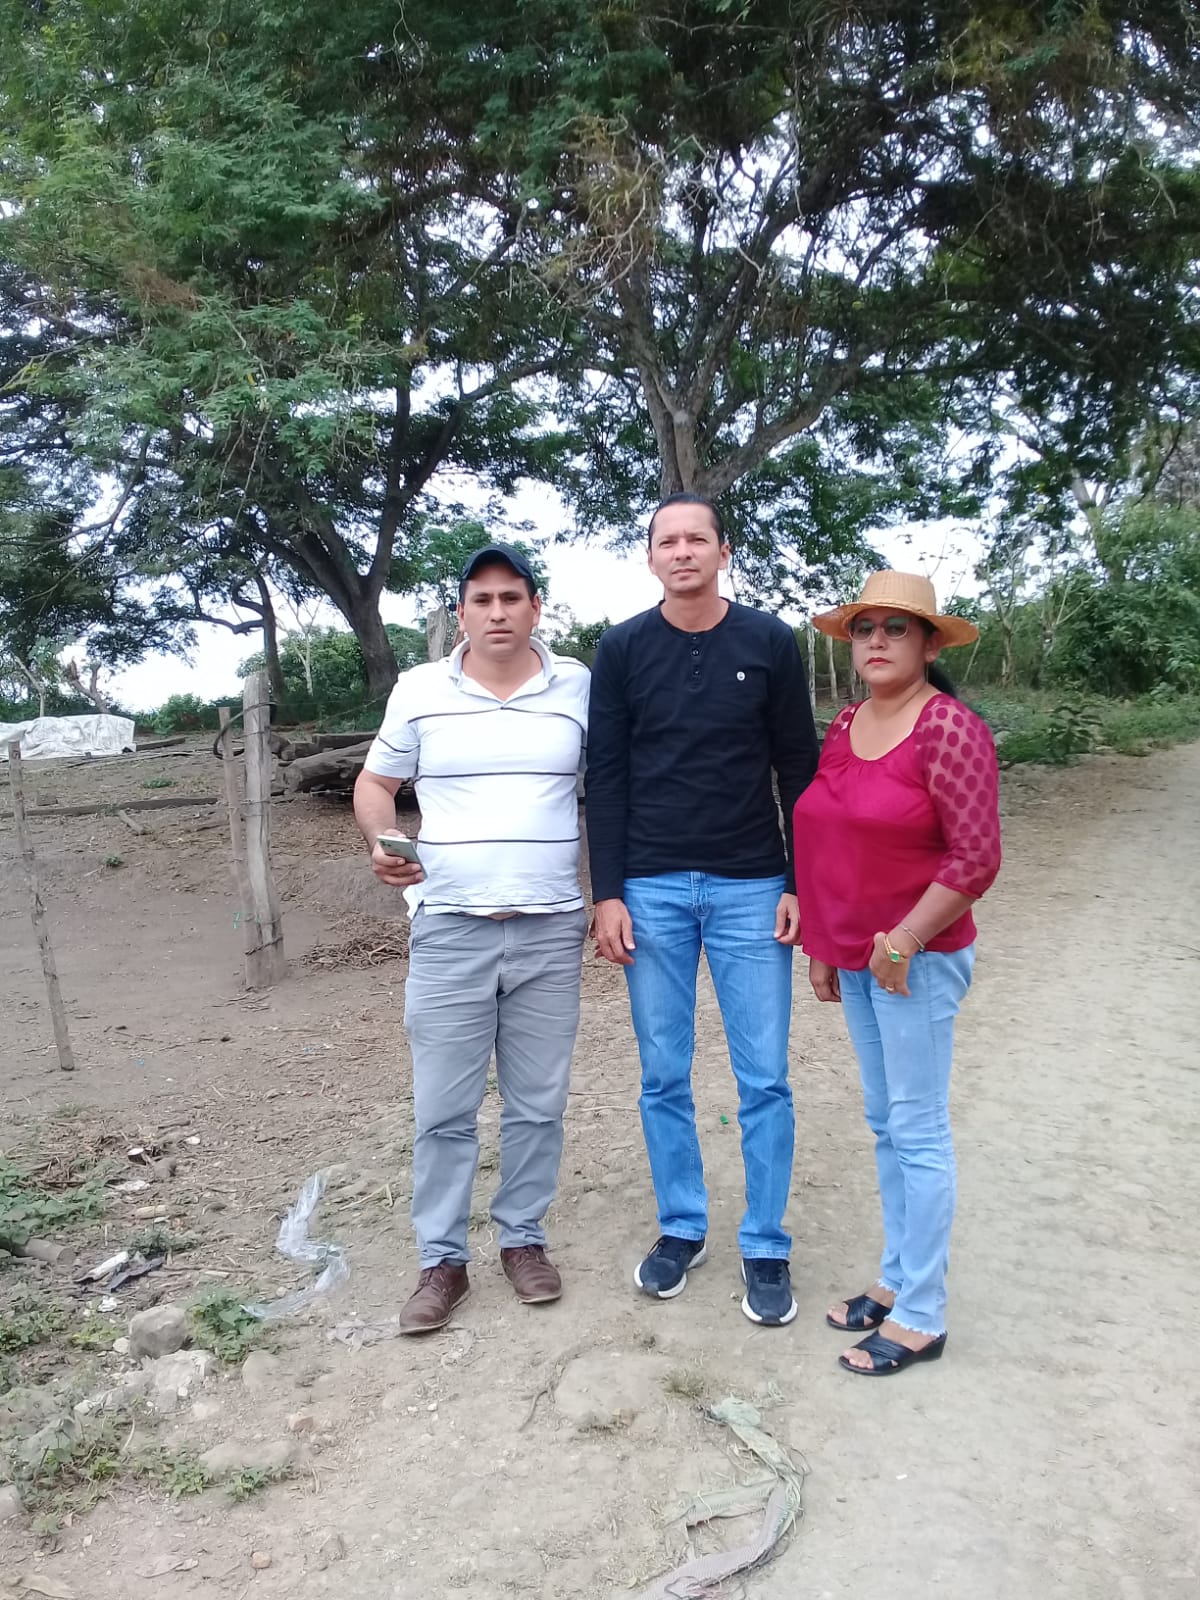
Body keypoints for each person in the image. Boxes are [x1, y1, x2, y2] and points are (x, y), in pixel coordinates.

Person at [586, 493, 819, 1325]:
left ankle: (766, 1242)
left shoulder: (769, 641)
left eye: (697, 539)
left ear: (723, 552)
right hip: (650, 890)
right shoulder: (622, 649)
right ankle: (681, 1226)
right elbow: (606, 775)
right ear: (650, 557)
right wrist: (607, 892)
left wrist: (799, 881)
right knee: (662, 1072)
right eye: (667, 541)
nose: (682, 551)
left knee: (765, 1077)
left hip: (751, 885)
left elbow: (799, 766)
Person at [353, 543, 590, 1335]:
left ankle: (522, 1239)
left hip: (550, 927)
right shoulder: (420, 690)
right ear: (461, 613)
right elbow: (376, 782)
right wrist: (381, 840)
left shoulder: (579, 687)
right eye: (481, 600)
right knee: (443, 1108)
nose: (497, 612)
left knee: (538, 1103)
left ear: (536, 607)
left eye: (511, 597)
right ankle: (442, 1260)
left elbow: (617, 783)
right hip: (450, 926)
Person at [793, 570, 1001, 1376]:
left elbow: (976, 857)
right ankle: (895, 1278)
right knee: (886, 1123)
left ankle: (922, 1314)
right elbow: (828, 834)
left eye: (896, 628)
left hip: (918, 962)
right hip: (857, 956)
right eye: (864, 628)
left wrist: (905, 939)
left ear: (929, 643)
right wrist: (823, 941)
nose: (876, 640)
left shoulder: (948, 728)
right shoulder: (849, 722)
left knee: (917, 1129)